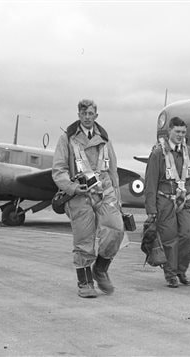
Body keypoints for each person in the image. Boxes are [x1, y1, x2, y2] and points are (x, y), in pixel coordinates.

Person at [52, 99, 125, 298]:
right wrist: (73, 188)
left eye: (90, 114)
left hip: (104, 191)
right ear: (79, 115)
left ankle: (100, 269)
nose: (87, 117)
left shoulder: (105, 139)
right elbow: (59, 171)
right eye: (83, 114)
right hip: (79, 195)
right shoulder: (66, 139)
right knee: (84, 239)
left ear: (96, 115)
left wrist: (117, 196)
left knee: (116, 229)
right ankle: (84, 283)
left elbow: (113, 171)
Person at [144, 116, 190, 288]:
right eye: (177, 132)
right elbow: (150, 182)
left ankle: (180, 269)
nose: (180, 135)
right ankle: (170, 275)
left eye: (183, 132)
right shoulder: (157, 153)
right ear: (169, 131)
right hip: (165, 201)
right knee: (169, 240)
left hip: (186, 201)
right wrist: (151, 209)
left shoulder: (188, 152)